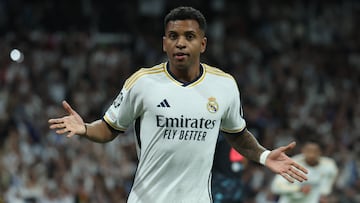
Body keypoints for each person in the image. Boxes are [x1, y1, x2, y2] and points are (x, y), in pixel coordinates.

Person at [48, 6, 307, 203]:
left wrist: (263, 155)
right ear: (164, 43)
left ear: (202, 43)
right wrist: (85, 129)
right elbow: (108, 128)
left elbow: (237, 134)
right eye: (173, 36)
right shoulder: (142, 82)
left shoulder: (225, 85)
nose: (180, 42)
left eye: (189, 36)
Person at [271, 138, 338, 203]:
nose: (311, 155)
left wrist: (324, 196)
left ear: (320, 152)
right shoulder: (292, 164)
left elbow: (326, 188)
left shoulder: (329, 166)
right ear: (303, 150)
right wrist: (298, 189)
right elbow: (276, 187)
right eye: (309, 151)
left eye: (315, 151)